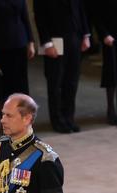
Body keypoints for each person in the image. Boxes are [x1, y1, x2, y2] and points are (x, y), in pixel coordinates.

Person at [33, 0, 90, 133]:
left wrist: (86, 35)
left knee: (71, 82)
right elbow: (40, 17)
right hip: (54, 41)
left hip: (75, 38)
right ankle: (57, 121)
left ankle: (69, 118)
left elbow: (81, 10)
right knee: (55, 83)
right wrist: (47, 43)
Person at [0, 0, 35, 115]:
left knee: (21, 85)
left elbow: (25, 17)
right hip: (0, 46)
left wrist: (30, 42)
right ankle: (6, 121)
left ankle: (21, 121)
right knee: (3, 87)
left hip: (20, 43)